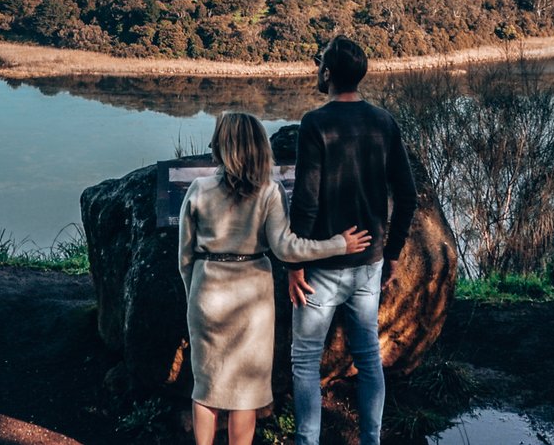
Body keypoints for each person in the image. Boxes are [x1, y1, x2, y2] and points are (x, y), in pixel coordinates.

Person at [179, 112, 372, 445]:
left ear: (223, 147)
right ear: (258, 146)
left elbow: (184, 256)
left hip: (207, 292)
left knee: (206, 387)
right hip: (252, 298)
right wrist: (340, 244)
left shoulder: (199, 188)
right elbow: (287, 248)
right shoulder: (269, 190)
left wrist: (193, 295)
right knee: (245, 393)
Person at [286, 36, 418, 445]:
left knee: (305, 361)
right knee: (369, 359)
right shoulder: (384, 121)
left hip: (323, 266)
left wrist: (295, 263)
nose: (316, 67)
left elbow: (306, 202)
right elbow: (408, 195)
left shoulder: (316, 124)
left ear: (328, 73)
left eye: (318, 61)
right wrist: (392, 253)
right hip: (369, 264)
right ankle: (371, 439)